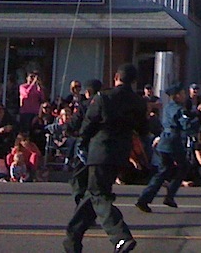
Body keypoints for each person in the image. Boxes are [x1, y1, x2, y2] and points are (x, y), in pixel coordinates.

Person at [63, 64, 148, 253]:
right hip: (121, 154)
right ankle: (72, 237)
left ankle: (120, 237)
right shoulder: (139, 102)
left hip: (100, 151)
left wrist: (82, 144)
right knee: (93, 194)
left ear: (116, 77)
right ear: (134, 82)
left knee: (99, 195)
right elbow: (143, 130)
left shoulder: (104, 97)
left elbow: (89, 124)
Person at [136, 82, 197, 212]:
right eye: (182, 93)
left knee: (163, 171)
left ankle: (145, 198)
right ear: (177, 96)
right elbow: (185, 125)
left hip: (164, 141)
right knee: (183, 167)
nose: (185, 95)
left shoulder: (169, 107)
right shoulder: (179, 109)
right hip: (173, 142)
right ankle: (169, 195)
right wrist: (197, 121)